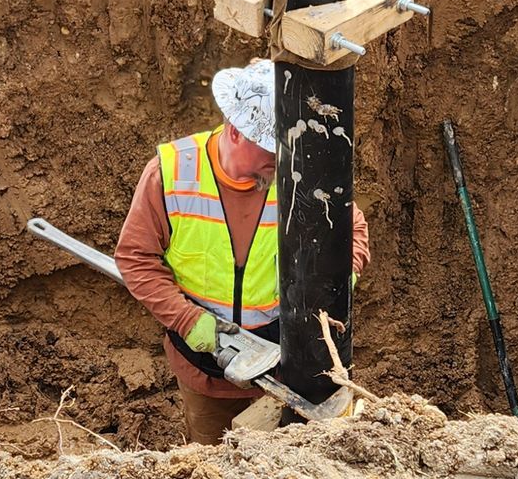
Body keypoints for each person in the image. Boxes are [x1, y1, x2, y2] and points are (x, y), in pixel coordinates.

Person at [115, 58, 370, 444]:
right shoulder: (171, 173)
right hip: (205, 366)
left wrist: (337, 279)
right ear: (235, 131)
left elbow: (354, 228)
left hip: (285, 364)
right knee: (211, 468)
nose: (278, 159)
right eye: (270, 147)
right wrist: (187, 320)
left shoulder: (296, 173)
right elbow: (135, 258)